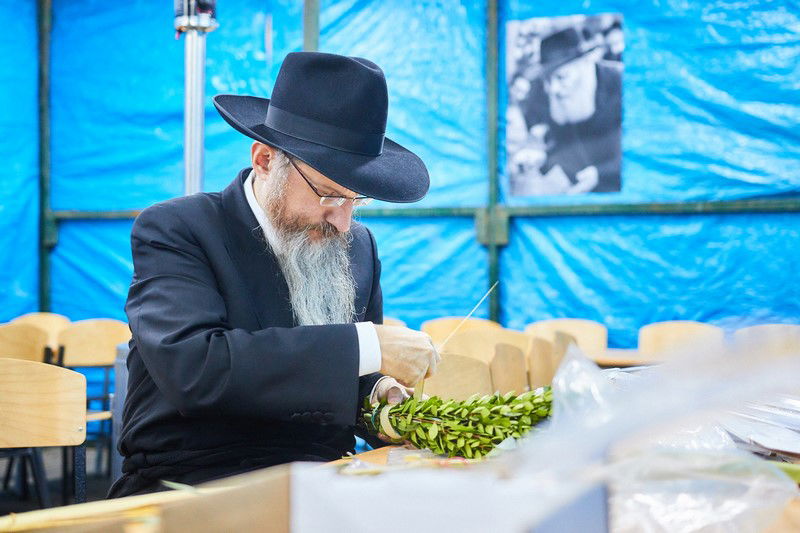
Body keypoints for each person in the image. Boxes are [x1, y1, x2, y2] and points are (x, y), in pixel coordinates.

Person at [109, 52, 441, 497]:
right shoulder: (177, 230)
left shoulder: (359, 246)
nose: (342, 221)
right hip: (196, 484)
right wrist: (369, 345)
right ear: (265, 160)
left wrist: (380, 399)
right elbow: (196, 369)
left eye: (355, 200)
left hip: (326, 482)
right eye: (329, 194)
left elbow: (345, 375)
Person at [519, 27, 622, 194]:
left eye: (561, 77)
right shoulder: (547, 95)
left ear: (586, 63)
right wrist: (542, 157)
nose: (554, 89)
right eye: (549, 80)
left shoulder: (621, 82)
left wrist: (601, 173)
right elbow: (563, 144)